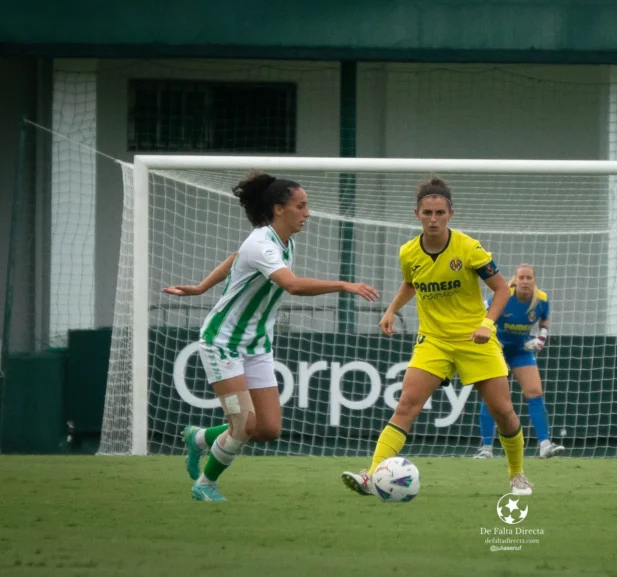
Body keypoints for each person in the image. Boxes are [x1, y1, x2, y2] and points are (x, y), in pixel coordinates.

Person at [164, 172, 379, 502]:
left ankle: (199, 438)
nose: (307, 213)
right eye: (301, 206)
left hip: (257, 344)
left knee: (267, 429)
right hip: (223, 343)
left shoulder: (282, 241)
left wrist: (203, 286)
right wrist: (343, 284)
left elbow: (237, 257)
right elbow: (291, 285)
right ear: (280, 209)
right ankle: (205, 483)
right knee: (243, 425)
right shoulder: (262, 242)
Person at [341, 177, 534, 497]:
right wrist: (390, 310)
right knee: (406, 404)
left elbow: (502, 289)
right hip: (433, 339)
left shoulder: (468, 248)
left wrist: (487, 323)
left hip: (476, 338)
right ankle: (372, 475)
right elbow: (411, 282)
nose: (433, 219)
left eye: (439, 213)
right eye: (427, 212)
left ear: (450, 214)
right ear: (416, 214)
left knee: (503, 410)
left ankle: (517, 474)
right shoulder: (408, 252)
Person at [475, 264, 565, 459]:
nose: (525, 281)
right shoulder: (503, 297)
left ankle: (545, 445)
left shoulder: (541, 300)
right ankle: (486, 448)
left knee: (535, 392)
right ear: (515, 280)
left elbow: (544, 321)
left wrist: (541, 338)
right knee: (493, 396)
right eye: (522, 277)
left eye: (529, 278)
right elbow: (481, 316)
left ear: (534, 280)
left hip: (520, 349)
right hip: (496, 347)